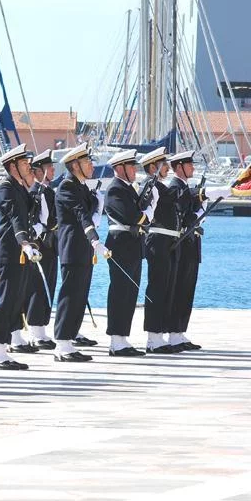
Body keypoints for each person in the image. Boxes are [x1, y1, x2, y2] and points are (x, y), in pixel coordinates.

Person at [165, 151, 230, 351]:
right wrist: (201, 202)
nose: (193, 168)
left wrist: (201, 205)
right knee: (179, 289)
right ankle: (173, 332)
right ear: (178, 167)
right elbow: (183, 209)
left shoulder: (186, 188)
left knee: (187, 290)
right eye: (189, 164)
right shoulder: (175, 187)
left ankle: (179, 332)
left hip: (192, 244)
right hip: (181, 245)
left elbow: (193, 205)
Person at [52, 144, 107, 363]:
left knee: (80, 295)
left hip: (83, 249)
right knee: (69, 295)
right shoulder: (67, 187)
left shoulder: (82, 187)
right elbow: (81, 215)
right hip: (72, 248)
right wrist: (94, 239)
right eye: (87, 162)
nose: (91, 166)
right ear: (75, 165)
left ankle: (70, 340)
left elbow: (90, 212)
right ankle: (62, 344)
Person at [0, 144, 36, 370]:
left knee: (16, 300)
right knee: (6, 301)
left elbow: (27, 215)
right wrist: (24, 242)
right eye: (24, 163)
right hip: (10, 251)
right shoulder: (6, 188)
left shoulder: (20, 187)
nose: (28, 166)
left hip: (20, 252)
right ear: (12, 166)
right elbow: (16, 216)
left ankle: (4, 349)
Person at [103, 150, 149, 357]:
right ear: (119, 168)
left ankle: (123, 337)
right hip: (121, 245)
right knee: (120, 292)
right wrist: (147, 212)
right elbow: (132, 216)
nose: (134, 170)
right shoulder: (115, 190)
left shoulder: (128, 189)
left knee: (130, 292)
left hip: (133, 245)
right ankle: (116, 339)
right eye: (131, 167)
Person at [138, 147, 178, 354]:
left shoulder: (159, 185)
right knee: (157, 287)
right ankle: (153, 338)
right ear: (154, 166)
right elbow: (144, 210)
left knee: (165, 287)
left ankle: (159, 335)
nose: (168, 167)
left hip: (167, 240)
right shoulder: (150, 185)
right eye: (164, 164)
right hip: (157, 240)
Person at [24, 150, 58, 349]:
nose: (52, 169)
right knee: (38, 286)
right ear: (37, 171)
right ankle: (36, 331)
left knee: (48, 287)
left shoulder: (48, 191)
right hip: (39, 244)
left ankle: (42, 329)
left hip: (51, 244)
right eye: (48, 167)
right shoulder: (35, 192)